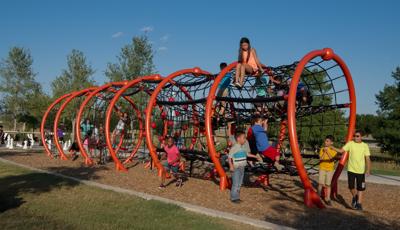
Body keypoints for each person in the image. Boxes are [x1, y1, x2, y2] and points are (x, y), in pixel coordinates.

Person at [331, 130, 371, 211]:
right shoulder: (350, 144)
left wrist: (368, 170)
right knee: (351, 187)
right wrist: (332, 147)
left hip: (360, 171)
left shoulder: (365, 146)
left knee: (360, 188)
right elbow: (341, 151)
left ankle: (359, 204)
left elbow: (368, 158)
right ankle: (355, 196)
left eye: (357, 136)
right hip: (351, 170)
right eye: (354, 136)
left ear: (361, 137)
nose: (355, 137)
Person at [228, 130, 261, 203]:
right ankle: (234, 198)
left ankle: (237, 197)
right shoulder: (235, 147)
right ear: (238, 139)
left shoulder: (242, 147)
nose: (245, 139)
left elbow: (247, 154)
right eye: (244, 138)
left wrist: (255, 157)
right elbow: (229, 157)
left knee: (239, 183)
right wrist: (231, 166)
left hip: (242, 167)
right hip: (236, 168)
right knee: (236, 183)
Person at [318, 135, 337, 206]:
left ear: (331, 143)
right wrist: (324, 152)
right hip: (322, 168)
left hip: (329, 169)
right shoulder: (322, 149)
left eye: (327, 141)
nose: (325, 142)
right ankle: (318, 197)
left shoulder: (333, 150)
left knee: (328, 185)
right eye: (325, 141)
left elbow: (331, 159)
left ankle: (328, 198)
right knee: (320, 183)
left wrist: (328, 152)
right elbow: (321, 158)